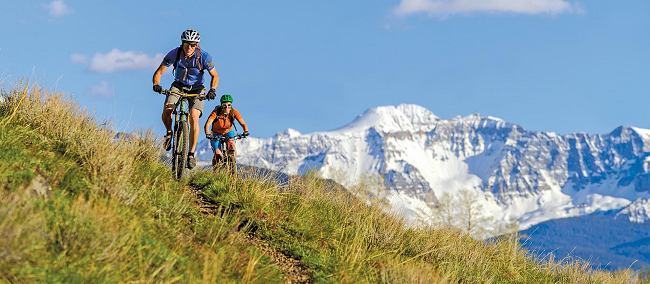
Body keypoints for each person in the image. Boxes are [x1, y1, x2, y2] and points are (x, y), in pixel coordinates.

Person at [152, 29, 218, 169]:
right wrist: (156, 84)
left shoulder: (204, 57)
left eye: (193, 45)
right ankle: (169, 133)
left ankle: (190, 154)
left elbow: (215, 76)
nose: (189, 47)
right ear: (182, 43)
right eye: (187, 44)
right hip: (178, 85)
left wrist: (212, 90)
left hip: (197, 88)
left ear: (197, 45)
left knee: (194, 117)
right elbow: (159, 72)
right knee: (167, 109)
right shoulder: (174, 53)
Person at [204, 94, 249, 170]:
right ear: (221, 105)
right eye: (224, 105)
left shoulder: (234, 112)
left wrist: (246, 131)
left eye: (229, 105)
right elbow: (207, 124)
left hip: (228, 132)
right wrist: (207, 134)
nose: (227, 107)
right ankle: (216, 171)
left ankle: (233, 164)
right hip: (216, 134)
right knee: (217, 154)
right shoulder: (216, 112)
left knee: (232, 146)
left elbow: (243, 123)